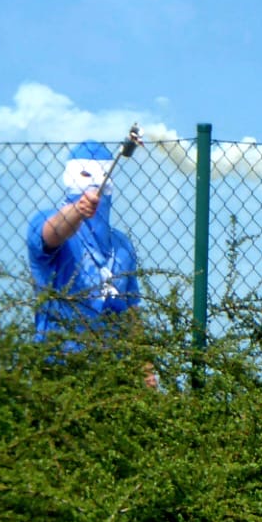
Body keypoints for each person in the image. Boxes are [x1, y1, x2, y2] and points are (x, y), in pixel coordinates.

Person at [27, 140, 155, 387]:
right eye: (86, 174)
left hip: (113, 373)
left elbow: (131, 311)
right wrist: (78, 210)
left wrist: (146, 370)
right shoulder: (44, 220)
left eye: (102, 175)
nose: (95, 183)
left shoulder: (121, 244)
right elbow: (53, 233)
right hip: (60, 368)